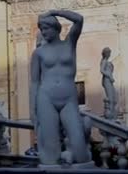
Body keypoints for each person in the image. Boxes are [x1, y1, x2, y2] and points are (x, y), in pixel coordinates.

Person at [30, 9, 90, 165]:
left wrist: (54, 11)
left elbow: (79, 19)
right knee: (51, 153)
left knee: (80, 151)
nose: (43, 32)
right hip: (46, 98)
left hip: (68, 99)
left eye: (46, 28)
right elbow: (35, 82)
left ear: (56, 28)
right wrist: (33, 109)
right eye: (41, 29)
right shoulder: (38, 53)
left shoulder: (69, 43)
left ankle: (69, 154)